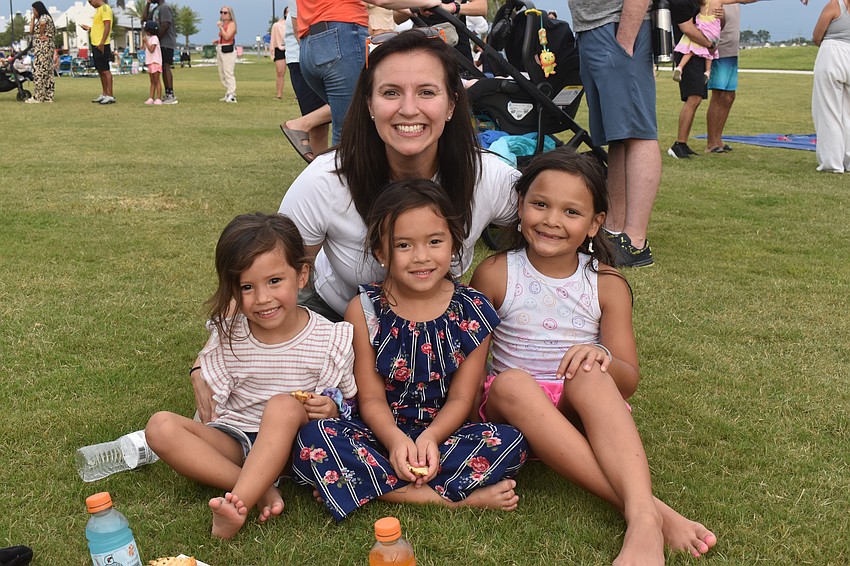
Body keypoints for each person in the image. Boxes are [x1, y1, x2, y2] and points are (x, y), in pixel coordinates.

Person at [471, 148, 717, 564]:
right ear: (520, 205)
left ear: (594, 223)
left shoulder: (605, 283)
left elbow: (627, 377)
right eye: (540, 204)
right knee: (513, 382)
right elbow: (473, 367)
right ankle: (653, 511)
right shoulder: (495, 272)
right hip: (511, 413)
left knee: (589, 371)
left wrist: (599, 356)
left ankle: (641, 521)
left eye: (571, 211)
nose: (551, 220)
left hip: (578, 415)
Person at [291, 179, 528, 520]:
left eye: (434, 242)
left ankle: (364, 485)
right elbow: (370, 398)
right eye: (403, 245)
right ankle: (451, 499)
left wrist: (431, 437)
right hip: (378, 433)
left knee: (511, 442)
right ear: (381, 253)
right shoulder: (365, 309)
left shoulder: (472, 310)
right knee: (314, 437)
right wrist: (395, 441)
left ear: (453, 245)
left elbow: (464, 398)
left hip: (446, 434)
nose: (421, 257)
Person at [278, 30, 519, 322]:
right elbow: (272, 269)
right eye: (390, 92)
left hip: (436, 323)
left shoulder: (487, 176)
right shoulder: (325, 179)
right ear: (369, 104)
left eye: (427, 92)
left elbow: (560, 231)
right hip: (335, 313)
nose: (408, 109)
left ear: (452, 105)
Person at [145, 212, 357, 540]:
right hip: (236, 438)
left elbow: (347, 403)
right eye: (247, 287)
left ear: (301, 275)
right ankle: (258, 488)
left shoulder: (329, 338)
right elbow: (210, 399)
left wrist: (331, 408)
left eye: (274, 281)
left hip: (291, 448)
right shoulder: (230, 335)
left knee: (283, 406)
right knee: (160, 427)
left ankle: (238, 504)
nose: (262, 299)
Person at [567, 0, 659, 268]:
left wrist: (625, 39)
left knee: (638, 133)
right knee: (618, 135)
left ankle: (635, 241)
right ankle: (614, 231)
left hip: (617, 26)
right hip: (595, 28)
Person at [293, 0, 443, 145]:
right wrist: (426, 2)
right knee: (354, 127)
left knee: (351, 119)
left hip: (310, 42)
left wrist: (410, 7)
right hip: (341, 34)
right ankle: (349, 170)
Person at [667, 0, 719, 159]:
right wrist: (710, 44)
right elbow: (687, 29)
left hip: (698, 54)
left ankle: (682, 143)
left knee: (696, 98)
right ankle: (678, 145)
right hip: (688, 53)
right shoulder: (682, 2)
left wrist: (720, 16)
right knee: (693, 97)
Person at [812, 0, 850, 173]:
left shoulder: (834, 5)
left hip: (832, 53)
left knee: (828, 111)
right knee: (847, 112)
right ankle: (847, 159)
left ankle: (832, 162)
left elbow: (817, 36)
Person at [394, 0, 489, 65]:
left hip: (458, 52)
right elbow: (396, 18)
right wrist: (413, 8)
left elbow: (482, 8)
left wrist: (450, 7)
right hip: (422, 49)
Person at [672, 0, 719, 84]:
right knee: (709, 56)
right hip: (703, 39)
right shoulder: (687, 4)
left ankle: (680, 67)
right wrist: (710, 45)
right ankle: (707, 72)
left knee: (690, 52)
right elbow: (687, 29)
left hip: (693, 39)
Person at [142, 0, 178, 104]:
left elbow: (165, 25)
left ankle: (170, 94)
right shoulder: (155, 9)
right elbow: (145, 19)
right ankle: (163, 95)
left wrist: (156, 39)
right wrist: (148, 4)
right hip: (158, 43)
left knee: (166, 66)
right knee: (160, 68)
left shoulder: (165, 7)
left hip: (165, 42)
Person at [81, 0, 115, 105]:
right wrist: (90, 29)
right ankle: (104, 93)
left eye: (91, 2)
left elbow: (107, 26)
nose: (91, 4)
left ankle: (110, 95)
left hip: (102, 44)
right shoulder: (98, 10)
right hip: (96, 44)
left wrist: (102, 42)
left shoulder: (105, 8)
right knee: (100, 70)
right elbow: (99, 27)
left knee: (105, 70)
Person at [26, 2, 55, 103]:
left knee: (39, 70)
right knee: (47, 71)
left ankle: (38, 96)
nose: (33, 12)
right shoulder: (43, 18)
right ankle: (47, 96)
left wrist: (42, 34)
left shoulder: (44, 17)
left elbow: (42, 24)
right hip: (45, 47)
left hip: (43, 47)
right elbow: (31, 31)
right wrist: (33, 19)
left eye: (34, 10)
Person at [215, 5, 237, 103]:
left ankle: (232, 94)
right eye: (221, 12)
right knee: (222, 72)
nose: (223, 15)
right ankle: (228, 92)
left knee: (228, 72)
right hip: (221, 48)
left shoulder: (232, 24)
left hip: (228, 50)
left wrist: (221, 28)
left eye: (225, 13)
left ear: (230, 14)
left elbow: (227, 36)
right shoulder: (224, 25)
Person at [142, 20, 163, 105]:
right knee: (152, 81)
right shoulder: (150, 38)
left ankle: (158, 98)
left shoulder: (155, 38)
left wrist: (146, 42)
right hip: (150, 62)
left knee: (157, 80)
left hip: (155, 62)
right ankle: (151, 98)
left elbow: (152, 49)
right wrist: (145, 43)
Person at [270, 9, 287, 100]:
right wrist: (272, 51)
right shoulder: (277, 25)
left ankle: (298, 95)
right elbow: (273, 39)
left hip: (293, 48)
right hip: (280, 50)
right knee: (280, 73)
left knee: (297, 74)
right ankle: (279, 94)